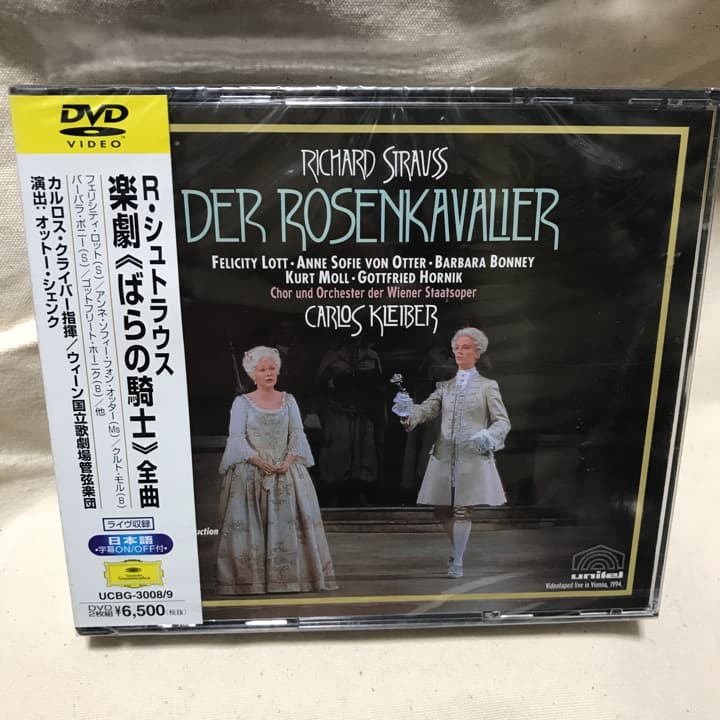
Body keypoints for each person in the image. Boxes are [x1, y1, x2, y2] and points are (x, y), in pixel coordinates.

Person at [216, 346, 337, 594]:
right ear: (253, 374)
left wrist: (289, 460)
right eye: (262, 369)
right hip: (251, 473)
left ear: (278, 371)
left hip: (286, 472)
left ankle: (291, 579)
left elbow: (297, 433)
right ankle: (251, 582)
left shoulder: (288, 400)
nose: (268, 373)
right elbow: (236, 438)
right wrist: (258, 461)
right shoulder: (242, 403)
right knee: (251, 529)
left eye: (272, 368)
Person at [392, 328, 510, 579]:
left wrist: (488, 436)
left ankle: (457, 560)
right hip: (445, 455)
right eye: (456, 347)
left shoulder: (488, 387)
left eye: (465, 347)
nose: (459, 351)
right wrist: (407, 412)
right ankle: (458, 550)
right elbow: (426, 410)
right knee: (442, 511)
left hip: (472, 456)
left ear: (477, 352)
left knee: (462, 510)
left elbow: (502, 421)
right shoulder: (445, 387)